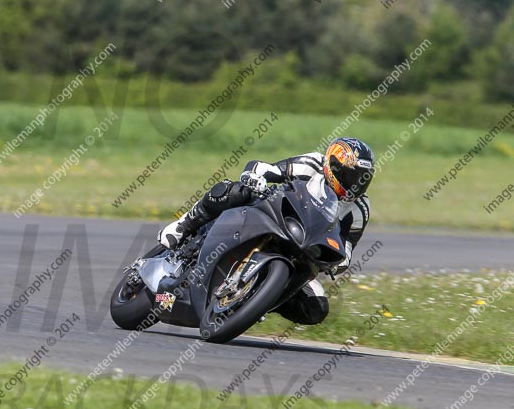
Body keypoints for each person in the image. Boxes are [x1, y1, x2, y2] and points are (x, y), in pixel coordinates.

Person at [157, 137, 375, 325]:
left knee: (316, 308)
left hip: (302, 248)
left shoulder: (360, 209)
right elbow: (266, 169)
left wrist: (336, 262)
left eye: (362, 178)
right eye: (351, 176)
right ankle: (183, 225)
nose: (356, 184)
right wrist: (256, 178)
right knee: (235, 191)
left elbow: (347, 249)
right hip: (273, 213)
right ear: (333, 166)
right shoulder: (312, 164)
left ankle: (257, 301)